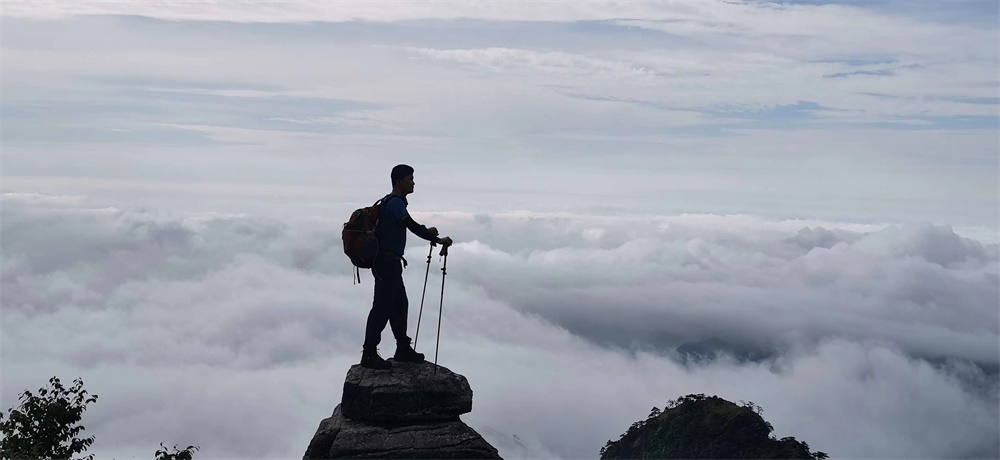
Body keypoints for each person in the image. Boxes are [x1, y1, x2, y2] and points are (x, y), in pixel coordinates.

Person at [360, 164, 454, 369]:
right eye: (410, 178)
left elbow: (406, 225)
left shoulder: (390, 203)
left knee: (399, 306)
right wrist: (436, 239)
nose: (413, 182)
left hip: (388, 264)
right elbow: (410, 225)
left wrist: (428, 232)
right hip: (387, 264)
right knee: (382, 308)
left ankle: (402, 347)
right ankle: (368, 353)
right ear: (399, 181)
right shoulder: (395, 204)